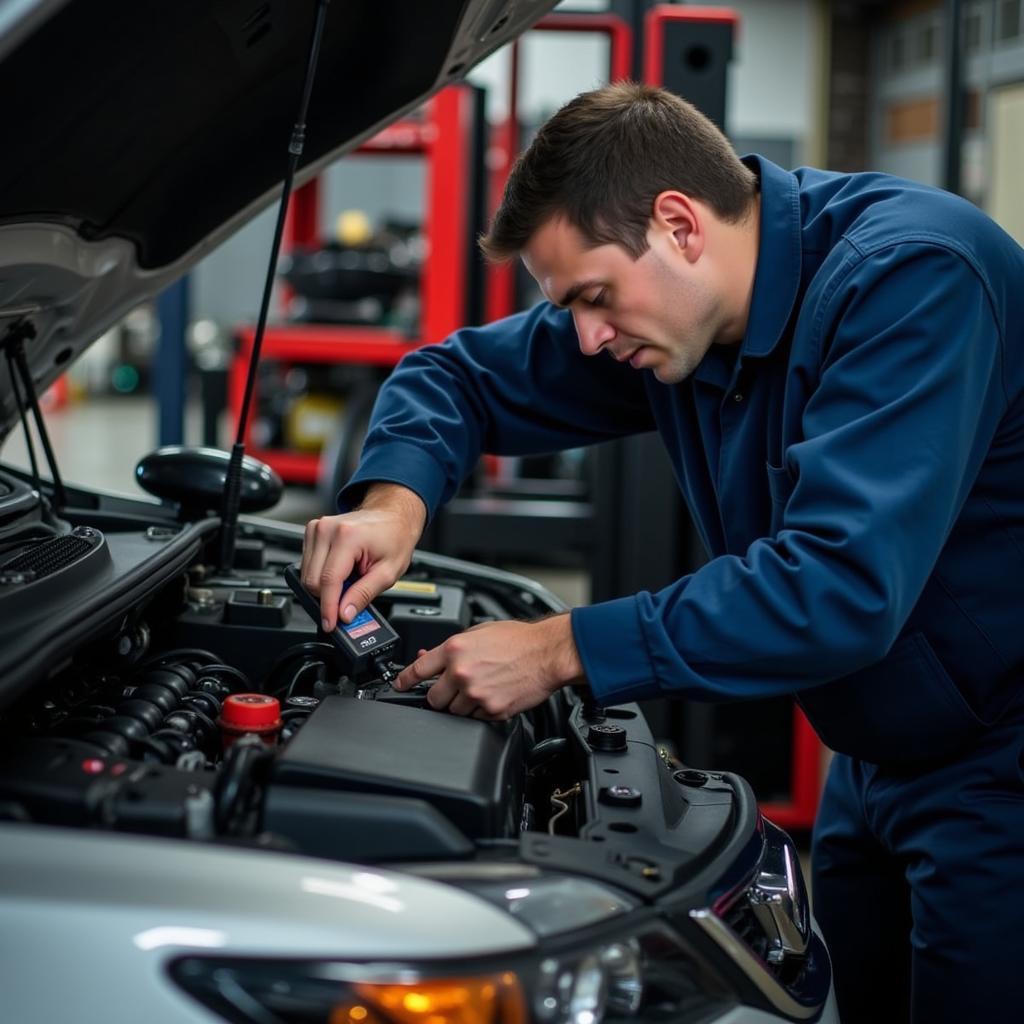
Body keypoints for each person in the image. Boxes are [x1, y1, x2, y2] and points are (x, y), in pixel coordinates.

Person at [299, 82, 1024, 1022]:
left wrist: (559, 647)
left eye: (595, 298)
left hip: (1000, 760)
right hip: (877, 744)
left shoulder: (912, 280)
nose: (588, 338)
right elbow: (457, 374)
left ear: (679, 224)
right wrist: (394, 502)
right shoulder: (682, 315)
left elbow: (835, 588)